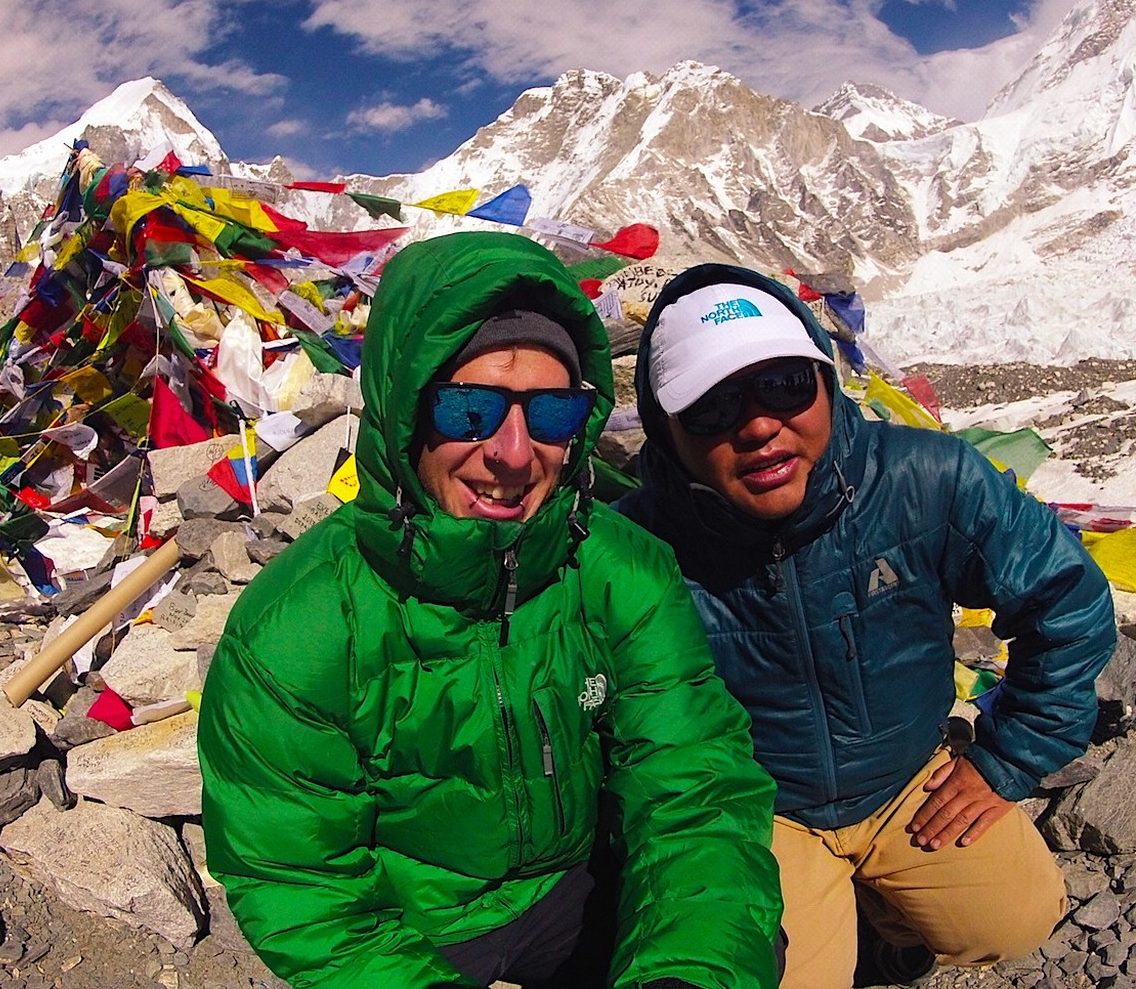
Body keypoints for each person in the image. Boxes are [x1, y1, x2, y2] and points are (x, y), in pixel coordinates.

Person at [197, 233, 782, 989]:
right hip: (412, 929)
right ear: (406, 414)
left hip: (581, 889)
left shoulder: (620, 569)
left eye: (551, 413)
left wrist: (683, 973)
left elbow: (694, 788)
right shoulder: (301, 626)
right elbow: (303, 884)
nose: (512, 452)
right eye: (468, 409)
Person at [615, 265, 1116, 989]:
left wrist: (1006, 758)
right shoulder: (635, 550)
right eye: (712, 407)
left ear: (826, 380)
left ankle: (880, 925)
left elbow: (1065, 598)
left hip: (905, 780)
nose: (758, 425)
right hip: (758, 810)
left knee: (1019, 917)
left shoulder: (925, 480)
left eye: (785, 385)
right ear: (665, 430)